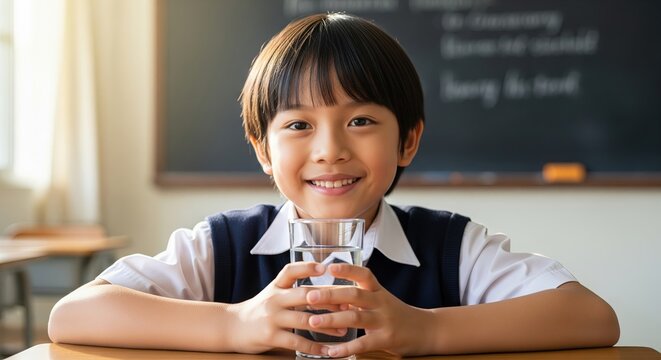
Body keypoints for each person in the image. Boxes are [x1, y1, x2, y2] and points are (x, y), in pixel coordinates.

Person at [48, 13, 619, 357]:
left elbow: (592, 317)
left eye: (361, 121)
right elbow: (73, 314)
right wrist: (234, 323)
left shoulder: (450, 248)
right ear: (263, 150)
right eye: (298, 125)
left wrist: (424, 330)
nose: (330, 149)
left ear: (408, 141)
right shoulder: (223, 246)